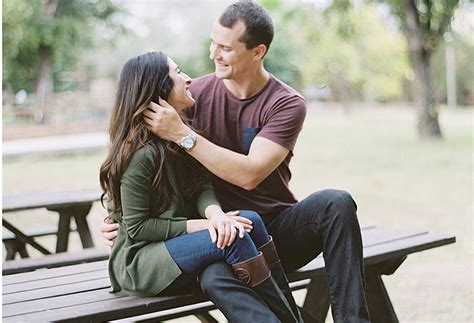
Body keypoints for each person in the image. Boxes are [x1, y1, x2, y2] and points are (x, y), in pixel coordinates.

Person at [102, 1, 370, 322]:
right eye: (213, 42)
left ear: (257, 52)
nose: (213, 53)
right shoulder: (191, 95)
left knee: (336, 203)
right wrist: (115, 213)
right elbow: (133, 147)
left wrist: (184, 135)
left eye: (226, 47)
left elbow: (250, 175)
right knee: (216, 275)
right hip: (212, 241)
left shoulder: (286, 103)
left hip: (271, 231)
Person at [99, 51, 298, 322]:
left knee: (250, 220)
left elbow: (201, 186)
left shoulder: (179, 135)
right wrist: (200, 225)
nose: (189, 79)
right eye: (178, 73)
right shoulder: (141, 154)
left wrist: (215, 215)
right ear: (160, 89)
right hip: (140, 262)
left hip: (174, 244)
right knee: (235, 235)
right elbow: (137, 227)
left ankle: (290, 318)